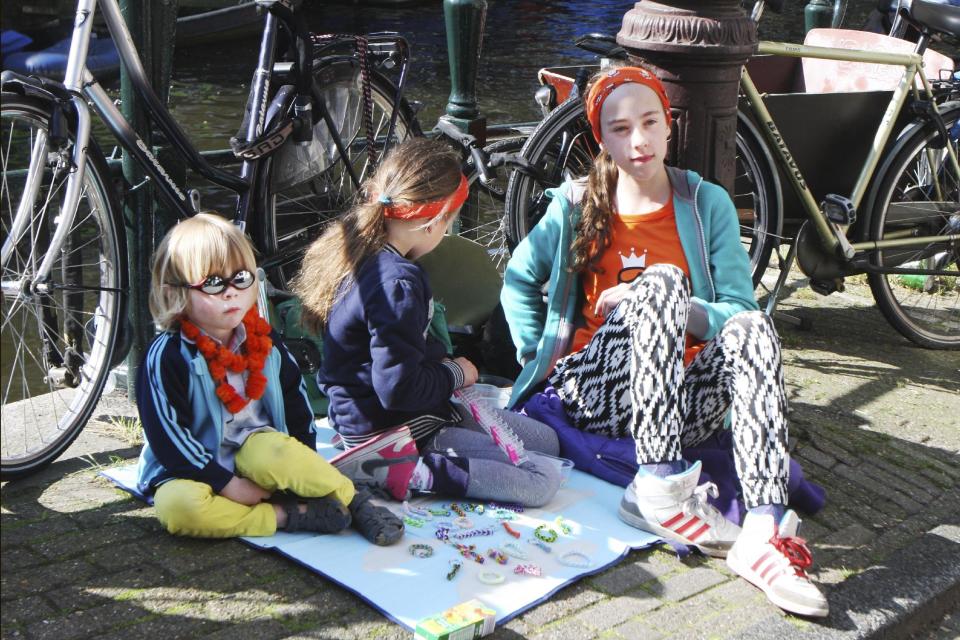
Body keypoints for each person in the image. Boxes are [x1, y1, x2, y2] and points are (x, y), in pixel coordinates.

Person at [500, 66, 828, 617]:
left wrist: (683, 312)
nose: (640, 140)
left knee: (754, 327)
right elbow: (518, 279)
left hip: (678, 401)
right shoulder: (576, 204)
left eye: (650, 122)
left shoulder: (706, 205)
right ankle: (657, 483)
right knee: (663, 280)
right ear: (600, 138)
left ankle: (763, 532)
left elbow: (739, 310)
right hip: (598, 391)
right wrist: (537, 355)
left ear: (668, 126)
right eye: (622, 128)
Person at [293, 138, 562, 507]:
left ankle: (392, 461)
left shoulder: (358, 250)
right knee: (541, 480)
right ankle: (403, 472)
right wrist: (457, 374)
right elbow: (398, 390)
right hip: (396, 431)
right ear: (435, 221)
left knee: (548, 442)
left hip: (386, 416)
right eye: (450, 222)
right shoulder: (398, 284)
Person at [136, 213, 403, 545]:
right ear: (174, 292)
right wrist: (227, 485)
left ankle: (352, 499)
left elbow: (296, 403)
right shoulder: (168, 355)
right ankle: (285, 516)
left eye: (241, 278)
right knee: (178, 508)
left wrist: (301, 466)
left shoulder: (265, 341)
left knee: (273, 450)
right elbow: (167, 435)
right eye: (214, 283)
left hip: (257, 456)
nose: (231, 293)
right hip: (195, 469)